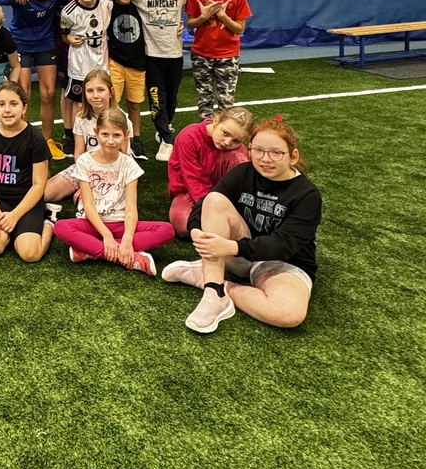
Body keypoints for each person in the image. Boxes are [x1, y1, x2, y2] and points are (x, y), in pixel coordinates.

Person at [162, 117, 321, 334]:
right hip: (241, 254)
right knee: (215, 200)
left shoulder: (307, 195)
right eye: (258, 151)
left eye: (276, 153)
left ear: (293, 156)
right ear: (249, 150)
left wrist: (231, 247)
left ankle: (210, 280)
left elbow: (284, 244)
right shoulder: (243, 172)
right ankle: (214, 293)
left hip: (283, 262)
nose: (265, 159)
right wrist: (196, 229)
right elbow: (206, 202)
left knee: (289, 314)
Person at [52, 107, 174, 272]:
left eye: (116, 135)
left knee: (166, 230)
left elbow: (131, 209)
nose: (110, 141)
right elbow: (88, 205)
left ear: (126, 135)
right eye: (105, 134)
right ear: (96, 132)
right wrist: (106, 235)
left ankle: (90, 250)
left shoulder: (129, 164)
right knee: (61, 227)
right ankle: (130, 258)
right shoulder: (84, 162)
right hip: (92, 223)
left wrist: (127, 239)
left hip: (120, 223)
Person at [0, 0, 66, 159]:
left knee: (49, 93)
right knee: (23, 93)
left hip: (45, 45)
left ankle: (47, 141)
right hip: (21, 46)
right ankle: (22, 139)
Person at [0, 81, 51, 262]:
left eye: (14, 104)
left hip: (27, 201)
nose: (7, 110)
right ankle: (13, 233)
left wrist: (15, 216)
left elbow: (39, 184)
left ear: (24, 108)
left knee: (30, 254)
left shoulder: (35, 138)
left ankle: (49, 223)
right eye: (1, 104)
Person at [133, 0, 187, 162]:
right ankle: (166, 139)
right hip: (151, 55)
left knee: (172, 98)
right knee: (157, 98)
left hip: (174, 55)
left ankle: (165, 125)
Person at [185, 0, 253, 119]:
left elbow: (240, 29)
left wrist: (222, 16)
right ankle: (206, 130)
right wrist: (204, 16)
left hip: (228, 55)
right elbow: (190, 25)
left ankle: (225, 131)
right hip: (201, 54)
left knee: (226, 102)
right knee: (204, 99)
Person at [167, 107, 253, 237]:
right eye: (225, 133)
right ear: (216, 121)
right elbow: (193, 179)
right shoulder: (189, 136)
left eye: (236, 140)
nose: (227, 142)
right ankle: (224, 221)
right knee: (183, 224)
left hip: (221, 190)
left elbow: (246, 176)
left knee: (238, 157)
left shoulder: (237, 148)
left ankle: (232, 213)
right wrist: (210, 208)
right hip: (188, 190)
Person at [43, 67, 120, 211]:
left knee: (89, 205)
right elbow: (78, 154)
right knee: (44, 192)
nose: (95, 95)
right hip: (85, 169)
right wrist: (86, 182)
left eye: (101, 90)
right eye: (90, 91)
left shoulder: (121, 120)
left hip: (113, 173)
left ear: (111, 92)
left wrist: (93, 186)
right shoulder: (81, 118)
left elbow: (123, 158)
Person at [59, 0, 112, 136]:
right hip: (79, 66)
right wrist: (68, 38)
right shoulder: (68, 11)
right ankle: (79, 139)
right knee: (80, 105)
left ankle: (103, 135)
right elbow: (64, 34)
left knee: (103, 102)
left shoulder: (108, 4)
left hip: (101, 65)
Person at [105, 0, 148, 159]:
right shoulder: (108, 4)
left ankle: (135, 139)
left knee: (134, 104)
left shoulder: (139, 4)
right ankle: (114, 138)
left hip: (138, 65)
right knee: (112, 104)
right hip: (115, 63)